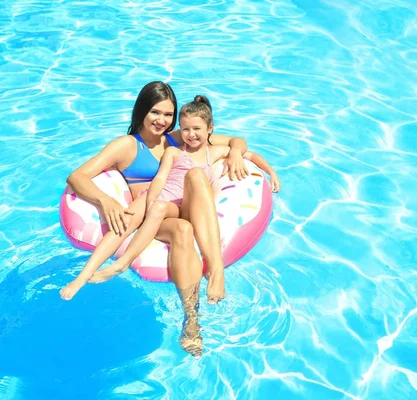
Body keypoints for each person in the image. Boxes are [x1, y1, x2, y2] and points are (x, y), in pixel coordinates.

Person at [60, 82, 249, 356]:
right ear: (142, 111)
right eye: (155, 112)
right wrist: (106, 200)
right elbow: (76, 176)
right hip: (155, 214)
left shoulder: (177, 138)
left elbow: (236, 140)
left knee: (194, 179)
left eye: (168, 115)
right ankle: (192, 320)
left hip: (186, 204)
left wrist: (234, 152)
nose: (162, 121)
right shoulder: (127, 146)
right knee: (182, 230)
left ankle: (210, 281)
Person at [88, 94, 280, 284]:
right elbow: (161, 178)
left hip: (190, 208)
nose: (191, 134)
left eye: (196, 129)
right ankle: (119, 264)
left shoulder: (212, 151)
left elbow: (247, 151)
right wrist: (150, 199)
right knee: (166, 213)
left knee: (195, 177)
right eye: (186, 129)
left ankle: (212, 273)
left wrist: (270, 171)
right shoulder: (175, 150)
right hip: (170, 207)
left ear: (209, 128)